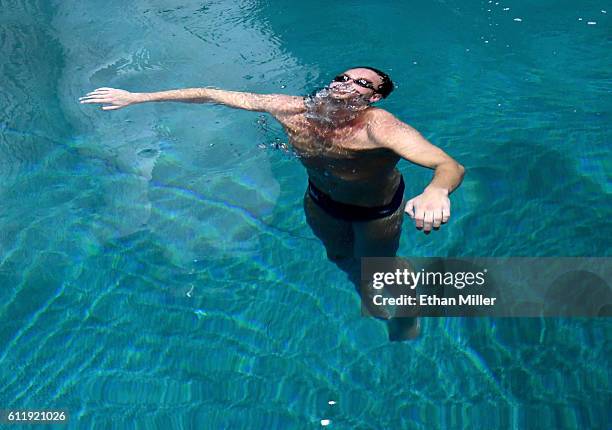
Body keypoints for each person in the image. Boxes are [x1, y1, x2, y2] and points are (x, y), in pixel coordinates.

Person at [79, 67, 465, 340]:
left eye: (361, 83)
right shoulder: (291, 109)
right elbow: (211, 94)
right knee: (339, 258)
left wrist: (436, 190)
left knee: (373, 276)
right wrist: (137, 97)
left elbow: (447, 164)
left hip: (374, 214)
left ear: (374, 96)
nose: (346, 85)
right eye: (342, 77)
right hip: (321, 203)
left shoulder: (380, 127)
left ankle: (406, 313)